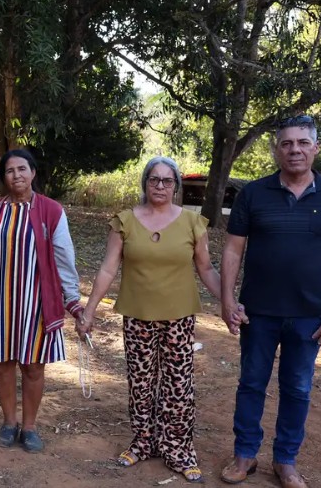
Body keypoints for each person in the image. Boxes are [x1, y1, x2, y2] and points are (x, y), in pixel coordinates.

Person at [218, 115, 321, 488]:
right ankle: (245, 455)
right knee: (251, 384)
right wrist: (227, 299)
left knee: (297, 388)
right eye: (286, 143)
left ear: (316, 148)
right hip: (258, 313)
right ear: (276, 149)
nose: (294, 149)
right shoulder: (252, 193)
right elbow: (233, 250)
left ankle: (286, 460)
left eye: (302, 142)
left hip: (310, 316)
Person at [78, 156, 220, 483]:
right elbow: (108, 269)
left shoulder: (191, 223)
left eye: (166, 181)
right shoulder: (125, 222)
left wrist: (229, 301)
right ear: (144, 183)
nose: (159, 186)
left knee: (178, 385)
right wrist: (89, 310)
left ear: (176, 186)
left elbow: (206, 269)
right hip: (138, 316)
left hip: (179, 317)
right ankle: (143, 442)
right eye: (153, 179)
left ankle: (179, 450)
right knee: (141, 384)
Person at [0, 149, 84, 453]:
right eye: (10, 170)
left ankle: (29, 427)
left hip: (36, 304)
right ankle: (8, 422)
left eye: (22, 169)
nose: (16, 175)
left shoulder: (51, 211)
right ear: (4, 177)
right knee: (2, 364)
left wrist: (74, 301)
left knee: (32, 367)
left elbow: (64, 259)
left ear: (33, 173)